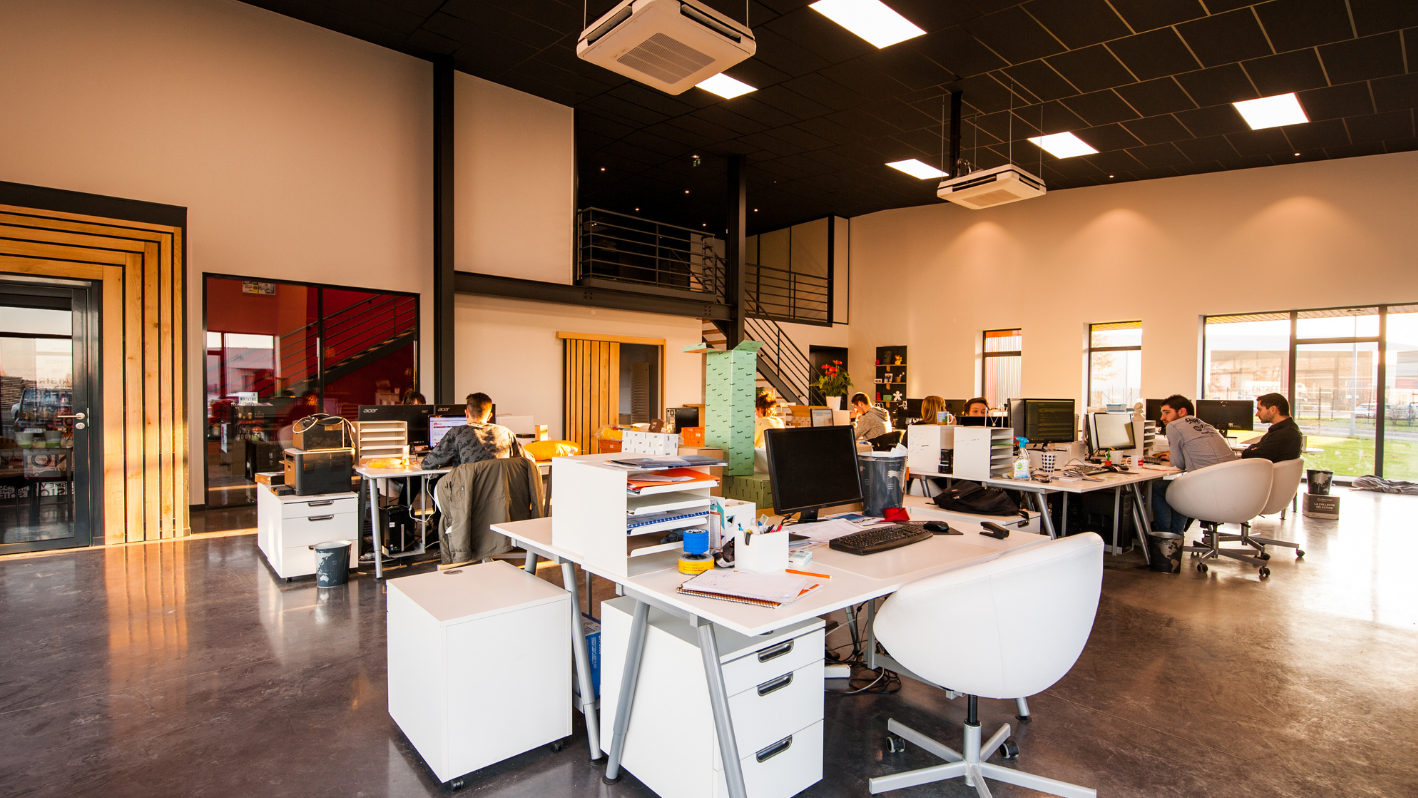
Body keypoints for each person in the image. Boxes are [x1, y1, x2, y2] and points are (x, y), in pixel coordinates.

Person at [1152, 394, 1236, 534]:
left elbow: (1178, 464)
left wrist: (1173, 457)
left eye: (1166, 413)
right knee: (1182, 486)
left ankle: (1165, 536)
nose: (1162, 418)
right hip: (1230, 488)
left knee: (1158, 487)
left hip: (1206, 488)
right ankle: (1177, 535)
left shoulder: (1174, 425)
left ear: (1182, 412)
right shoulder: (1206, 425)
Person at [421, 392, 520, 468]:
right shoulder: (506, 433)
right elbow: (527, 460)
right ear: (490, 415)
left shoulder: (456, 433)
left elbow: (427, 464)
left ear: (466, 413)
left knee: (438, 486)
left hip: (468, 492)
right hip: (500, 493)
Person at [1240, 393, 1303, 462]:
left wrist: (1250, 450)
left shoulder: (1285, 435)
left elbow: (1251, 456)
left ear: (1273, 409)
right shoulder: (1285, 430)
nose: (1256, 414)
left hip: (1265, 471)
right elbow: (1256, 449)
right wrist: (1253, 448)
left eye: (1260, 409)